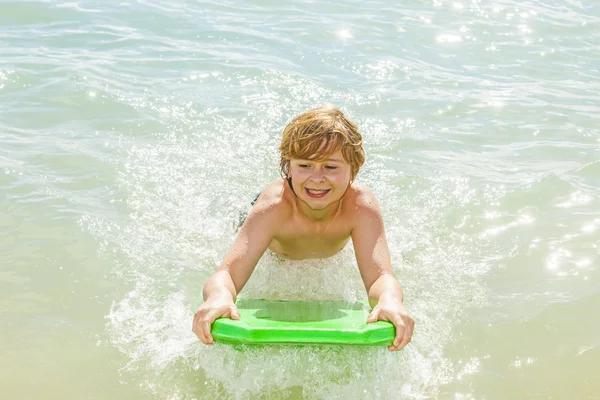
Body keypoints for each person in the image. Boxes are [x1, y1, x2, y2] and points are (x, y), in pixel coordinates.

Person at [192, 106, 414, 351]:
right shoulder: (273, 207)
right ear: (288, 167)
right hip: (270, 227)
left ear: (354, 169)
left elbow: (380, 277)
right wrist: (219, 296)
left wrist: (390, 299)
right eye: (304, 166)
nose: (317, 178)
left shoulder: (360, 206)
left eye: (331, 167)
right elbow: (228, 274)